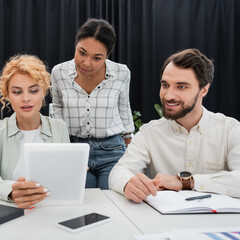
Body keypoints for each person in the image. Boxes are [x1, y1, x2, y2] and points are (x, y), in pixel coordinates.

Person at [109, 48, 240, 202]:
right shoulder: (149, 133)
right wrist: (128, 184)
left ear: (203, 90)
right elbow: (118, 173)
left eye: (181, 87)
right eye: (165, 85)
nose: (169, 95)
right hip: (163, 223)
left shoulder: (230, 129)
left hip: (218, 222)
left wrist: (185, 182)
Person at [0, 54, 69, 209]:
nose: (26, 98)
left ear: (43, 92)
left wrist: (71, 170)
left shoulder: (59, 128)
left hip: (48, 208)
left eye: (33, 91)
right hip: (6, 208)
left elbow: (63, 181)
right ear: (7, 95)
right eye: (17, 92)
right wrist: (11, 191)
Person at [51, 18, 134, 190]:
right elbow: (57, 109)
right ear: (76, 45)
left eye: (97, 58)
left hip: (112, 150)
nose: (87, 63)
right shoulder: (59, 72)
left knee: (113, 205)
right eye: (82, 53)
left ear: (107, 56)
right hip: (74, 150)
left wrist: (130, 151)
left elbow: (124, 109)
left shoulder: (121, 73)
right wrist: (62, 148)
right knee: (82, 202)